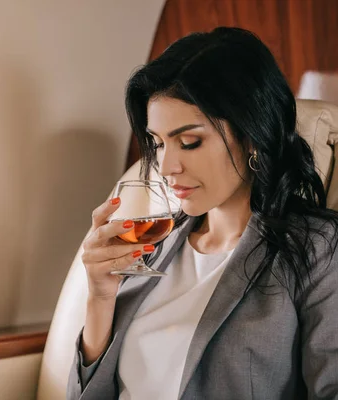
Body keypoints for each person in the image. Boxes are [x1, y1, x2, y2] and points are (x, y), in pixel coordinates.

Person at [67, 27, 338, 399]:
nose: (166, 167)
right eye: (158, 144)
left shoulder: (317, 250)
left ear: (252, 136)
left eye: (189, 142)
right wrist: (99, 296)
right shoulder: (155, 243)